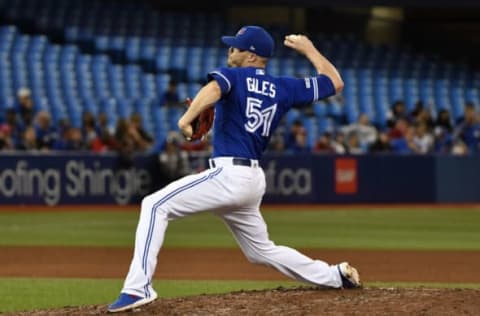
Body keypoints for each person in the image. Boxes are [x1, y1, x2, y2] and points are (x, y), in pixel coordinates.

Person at [108, 25, 361, 313]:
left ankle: (137, 288)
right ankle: (333, 275)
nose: (230, 50)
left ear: (252, 56)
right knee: (260, 251)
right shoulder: (284, 87)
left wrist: (186, 119)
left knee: (153, 205)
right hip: (252, 180)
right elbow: (335, 82)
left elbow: (214, 88)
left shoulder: (234, 76)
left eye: (236, 47)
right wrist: (309, 49)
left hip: (229, 175)